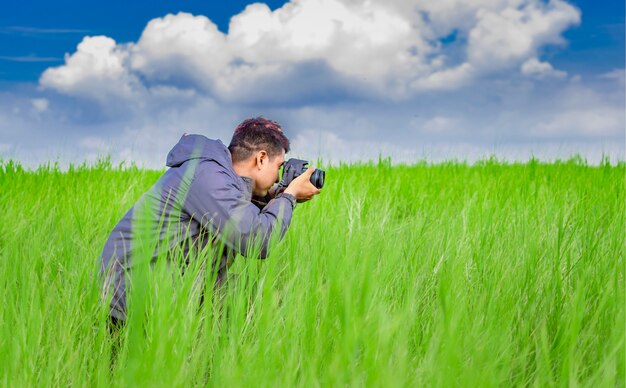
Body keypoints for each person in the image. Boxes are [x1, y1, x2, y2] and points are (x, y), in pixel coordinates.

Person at [100, 117, 320, 326]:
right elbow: (257, 240)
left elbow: (240, 214)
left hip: (163, 290)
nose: (277, 176)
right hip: (128, 301)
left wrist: (277, 197)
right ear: (261, 158)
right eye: (279, 166)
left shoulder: (219, 178)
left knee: (250, 293)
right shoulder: (206, 174)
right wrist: (288, 196)